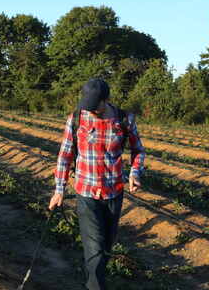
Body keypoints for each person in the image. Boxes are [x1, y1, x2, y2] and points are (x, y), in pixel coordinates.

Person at [48, 78, 146, 290]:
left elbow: (138, 150)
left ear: (106, 100)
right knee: (94, 250)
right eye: (87, 105)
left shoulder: (124, 119)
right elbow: (65, 156)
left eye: (95, 106)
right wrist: (59, 190)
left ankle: (95, 281)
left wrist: (135, 173)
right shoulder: (76, 119)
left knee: (106, 248)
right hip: (86, 193)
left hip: (114, 193)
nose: (90, 111)